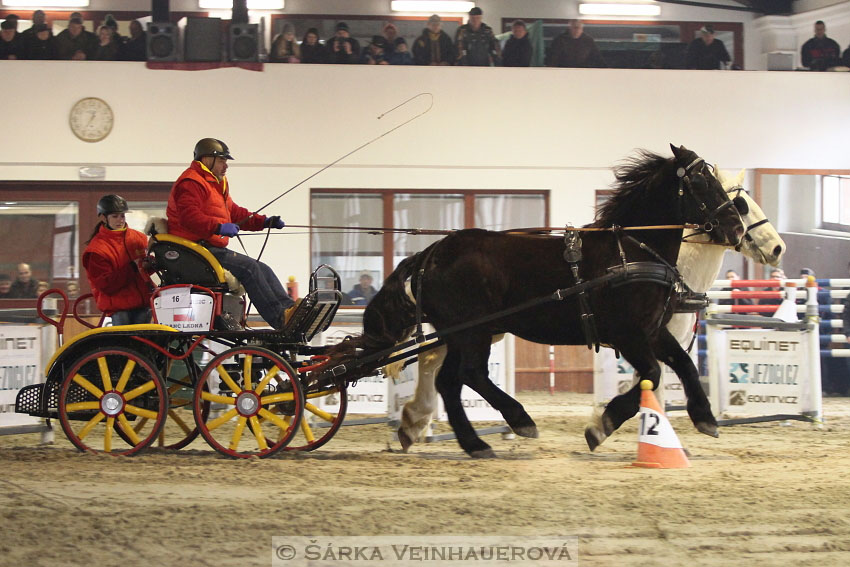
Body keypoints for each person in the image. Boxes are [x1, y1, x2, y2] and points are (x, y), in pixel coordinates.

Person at [166, 138, 296, 330]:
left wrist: (265, 222)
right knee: (250, 269)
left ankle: (289, 310)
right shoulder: (191, 182)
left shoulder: (216, 183)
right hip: (195, 251)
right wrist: (218, 227)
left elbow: (234, 213)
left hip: (209, 249)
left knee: (263, 268)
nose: (226, 166)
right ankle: (279, 318)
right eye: (222, 161)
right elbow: (189, 218)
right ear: (206, 159)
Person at [82, 195, 152, 326]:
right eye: (115, 216)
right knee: (124, 345)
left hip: (143, 305)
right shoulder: (97, 249)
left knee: (143, 345)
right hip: (120, 309)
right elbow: (106, 284)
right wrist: (133, 267)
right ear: (104, 218)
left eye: (122, 216)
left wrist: (152, 263)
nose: (120, 220)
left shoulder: (139, 238)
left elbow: (146, 271)